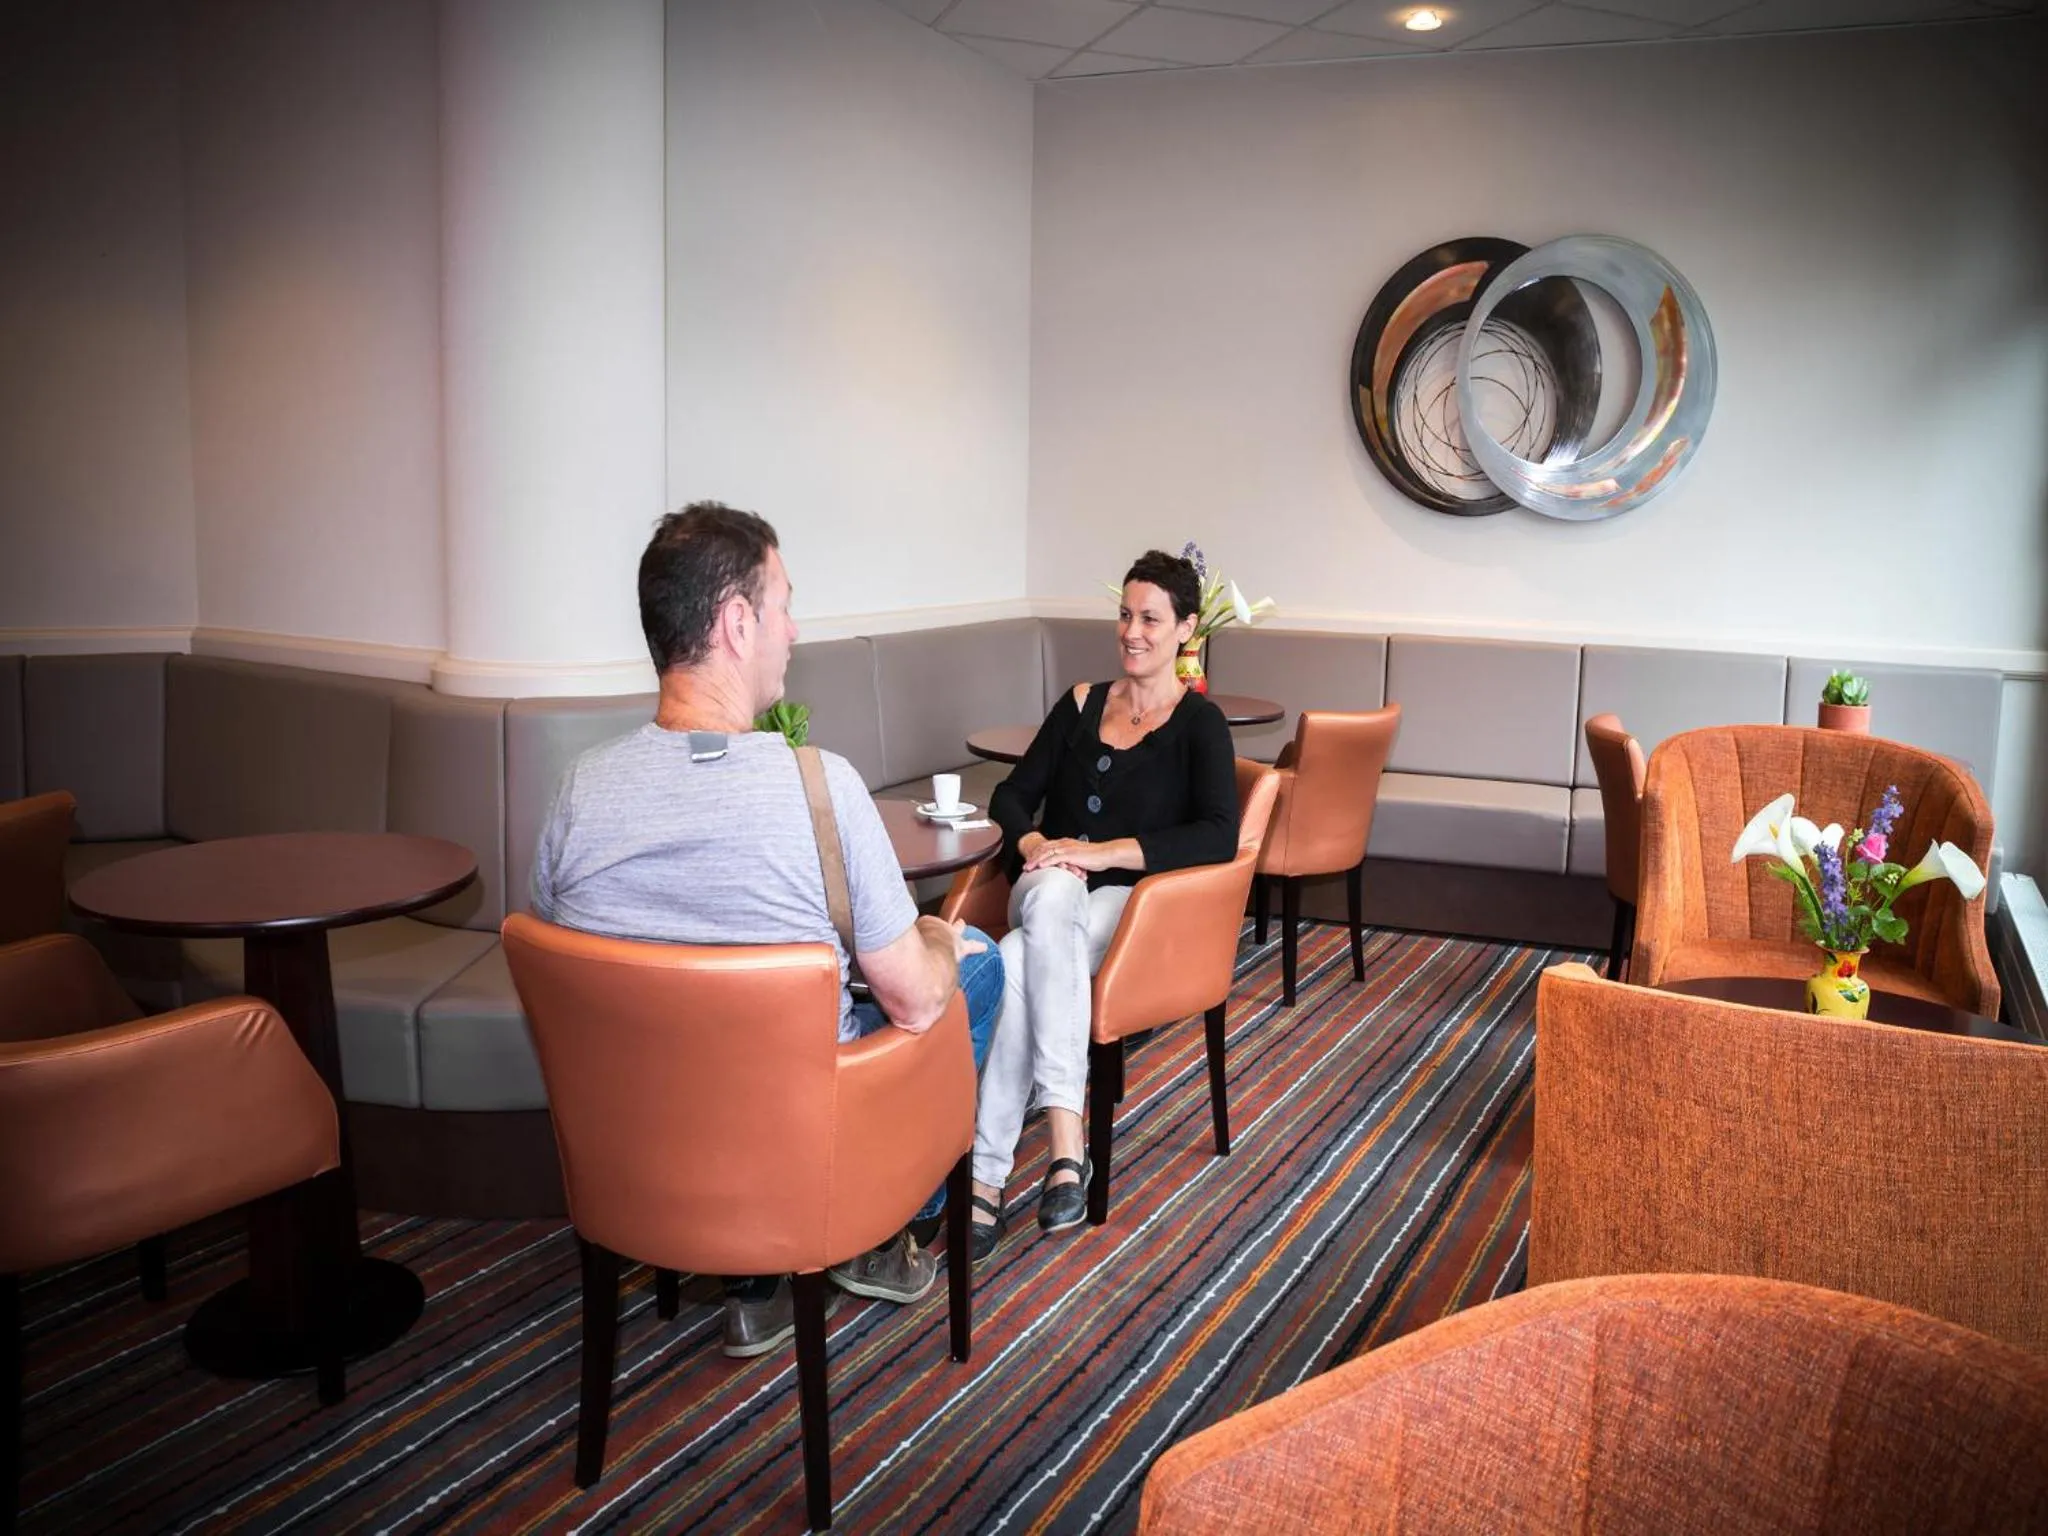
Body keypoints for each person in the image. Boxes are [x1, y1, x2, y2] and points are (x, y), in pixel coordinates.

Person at [530, 501, 1003, 1358]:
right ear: (738, 622)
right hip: (796, 1147)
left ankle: (754, 1284)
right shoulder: (818, 787)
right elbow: (912, 998)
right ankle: (878, 1236)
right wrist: (944, 938)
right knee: (978, 964)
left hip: (635, 1145)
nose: (795, 626)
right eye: (784, 603)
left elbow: (574, 967)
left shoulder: (577, 792)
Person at [970, 549, 1239, 1258]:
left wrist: (1102, 853)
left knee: (1014, 958)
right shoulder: (1081, 703)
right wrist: (1035, 846)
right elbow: (1009, 797)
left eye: (1151, 618)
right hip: (1047, 883)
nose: (1132, 631)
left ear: (1186, 630)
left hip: (1130, 906)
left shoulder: (1200, 724)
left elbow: (1218, 835)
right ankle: (1066, 1135)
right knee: (1053, 893)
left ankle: (986, 1175)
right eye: (1125, 614)